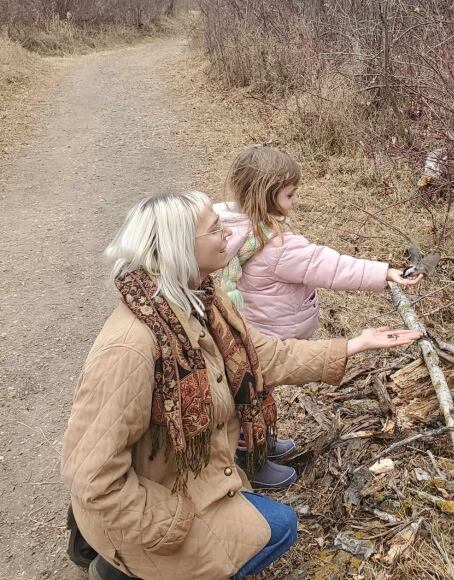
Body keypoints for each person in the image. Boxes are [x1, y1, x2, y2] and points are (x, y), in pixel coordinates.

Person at [61, 191, 421, 580]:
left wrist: (355, 344)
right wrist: (169, 526)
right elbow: (90, 475)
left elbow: (264, 355)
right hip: (158, 502)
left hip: (184, 476)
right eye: (215, 229)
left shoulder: (202, 300)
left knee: (272, 523)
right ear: (180, 246)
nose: (227, 234)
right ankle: (117, 570)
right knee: (280, 527)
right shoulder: (129, 347)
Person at [215, 145, 422, 488]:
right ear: (268, 196)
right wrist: (384, 273)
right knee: (252, 401)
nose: (294, 201)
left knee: (254, 396)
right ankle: (250, 460)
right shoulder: (279, 247)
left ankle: (261, 444)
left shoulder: (234, 227)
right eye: (290, 194)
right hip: (272, 338)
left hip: (251, 330)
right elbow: (332, 267)